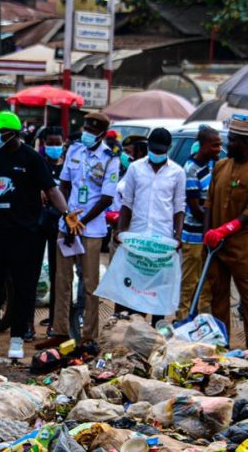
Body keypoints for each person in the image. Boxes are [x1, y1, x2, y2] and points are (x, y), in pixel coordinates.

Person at [0, 112, 71, 359]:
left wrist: (66, 213)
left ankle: (17, 338)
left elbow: (51, 189)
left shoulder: (32, 158)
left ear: (11, 133)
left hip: (25, 233)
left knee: (24, 287)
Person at [52, 112, 120, 344]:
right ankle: (60, 332)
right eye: (86, 130)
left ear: (102, 134)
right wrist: (67, 216)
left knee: (90, 284)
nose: (87, 134)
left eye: (92, 132)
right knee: (62, 281)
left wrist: (80, 223)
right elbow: (64, 186)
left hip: (91, 229)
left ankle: (89, 336)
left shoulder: (110, 159)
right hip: (67, 224)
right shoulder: (74, 150)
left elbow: (107, 198)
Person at [203, 114, 248, 348]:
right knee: (219, 295)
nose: (227, 144)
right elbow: (209, 202)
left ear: (246, 142)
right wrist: (208, 234)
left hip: (242, 245)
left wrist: (225, 229)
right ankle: (222, 344)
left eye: (232, 140)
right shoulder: (221, 166)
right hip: (216, 246)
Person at [116, 127, 186, 321]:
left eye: (160, 151)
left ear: (168, 149)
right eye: (153, 150)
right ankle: (136, 327)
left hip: (162, 239)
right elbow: (127, 203)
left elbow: (179, 207)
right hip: (137, 237)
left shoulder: (177, 172)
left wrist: (177, 236)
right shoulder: (135, 168)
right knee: (135, 288)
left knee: (158, 289)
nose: (156, 154)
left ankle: (156, 329)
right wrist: (120, 230)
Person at [178, 125, 222, 317]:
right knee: (189, 282)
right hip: (194, 235)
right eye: (214, 145)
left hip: (209, 233)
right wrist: (214, 220)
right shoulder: (191, 169)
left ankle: (200, 320)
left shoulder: (214, 165)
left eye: (219, 145)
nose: (219, 149)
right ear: (203, 145)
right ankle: (182, 318)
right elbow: (195, 207)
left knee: (205, 285)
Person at [37, 126, 68, 330]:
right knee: (32, 271)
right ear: (44, 144)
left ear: (63, 143)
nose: (54, 147)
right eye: (50, 143)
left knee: (58, 274)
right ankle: (28, 325)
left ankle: (54, 322)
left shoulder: (67, 168)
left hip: (59, 226)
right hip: (37, 224)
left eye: (58, 143)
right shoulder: (38, 164)